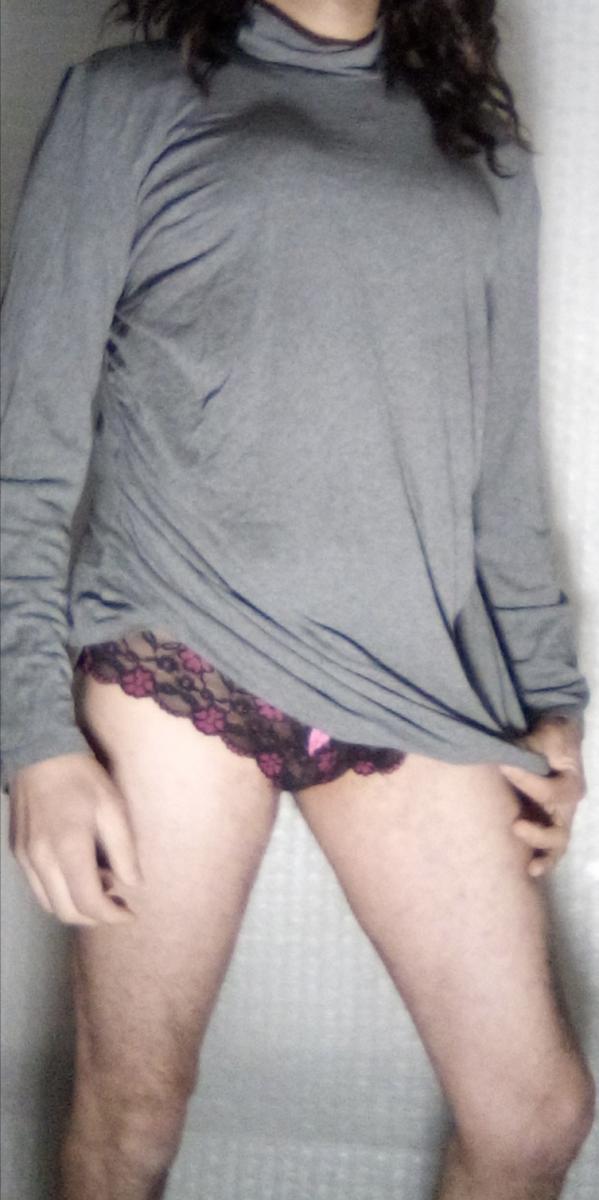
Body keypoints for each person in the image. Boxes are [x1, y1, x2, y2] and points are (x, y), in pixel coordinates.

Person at [0, 0, 595, 1197]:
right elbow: (30, 439)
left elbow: (496, 475)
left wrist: (555, 703)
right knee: (129, 1121)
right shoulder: (129, 102)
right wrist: (32, 743)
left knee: (533, 1118)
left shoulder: (478, 154)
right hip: (179, 652)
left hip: (407, 675)